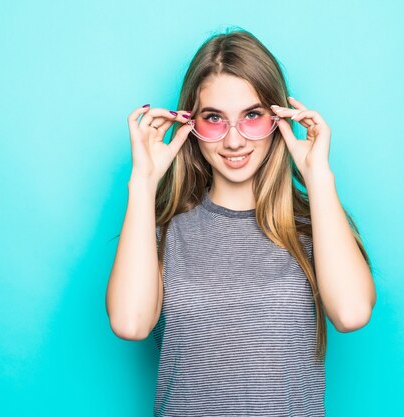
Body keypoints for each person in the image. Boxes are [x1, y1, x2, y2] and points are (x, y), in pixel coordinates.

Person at [106, 28, 376, 417]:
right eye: (214, 118)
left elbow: (351, 313)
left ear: (278, 119)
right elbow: (130, 324)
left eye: (252, 116)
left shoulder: (314, 227)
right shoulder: (162, 234)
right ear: (190, 125)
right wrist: (144, 182)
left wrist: (319, 177)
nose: (234, 141)